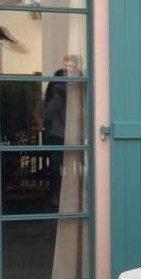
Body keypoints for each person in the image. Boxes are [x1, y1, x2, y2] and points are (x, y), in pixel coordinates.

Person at [42, 55, 81, 206]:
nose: (67, 68)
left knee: (70, 167)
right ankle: (57, 197)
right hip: (58, 133)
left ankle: (62, 197)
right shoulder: (58, 84)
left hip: (68, 132)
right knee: (58, 167)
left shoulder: (79, 84)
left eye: (70, 66)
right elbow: (47, 111)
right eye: (66, 65)